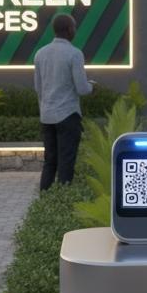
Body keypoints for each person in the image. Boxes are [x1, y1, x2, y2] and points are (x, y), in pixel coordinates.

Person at [33, 13, 94, 190]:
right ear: (69, 30)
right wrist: (93, 87)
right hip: (68, 116)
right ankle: (63, 199)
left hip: (47, 116)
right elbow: (82, 88)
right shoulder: (74, 54)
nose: (75, 30)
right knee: (66, 163)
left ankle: (45, 202)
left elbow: (38, 88)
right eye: (74, 27)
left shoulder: (40, 53)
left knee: (49, 162)